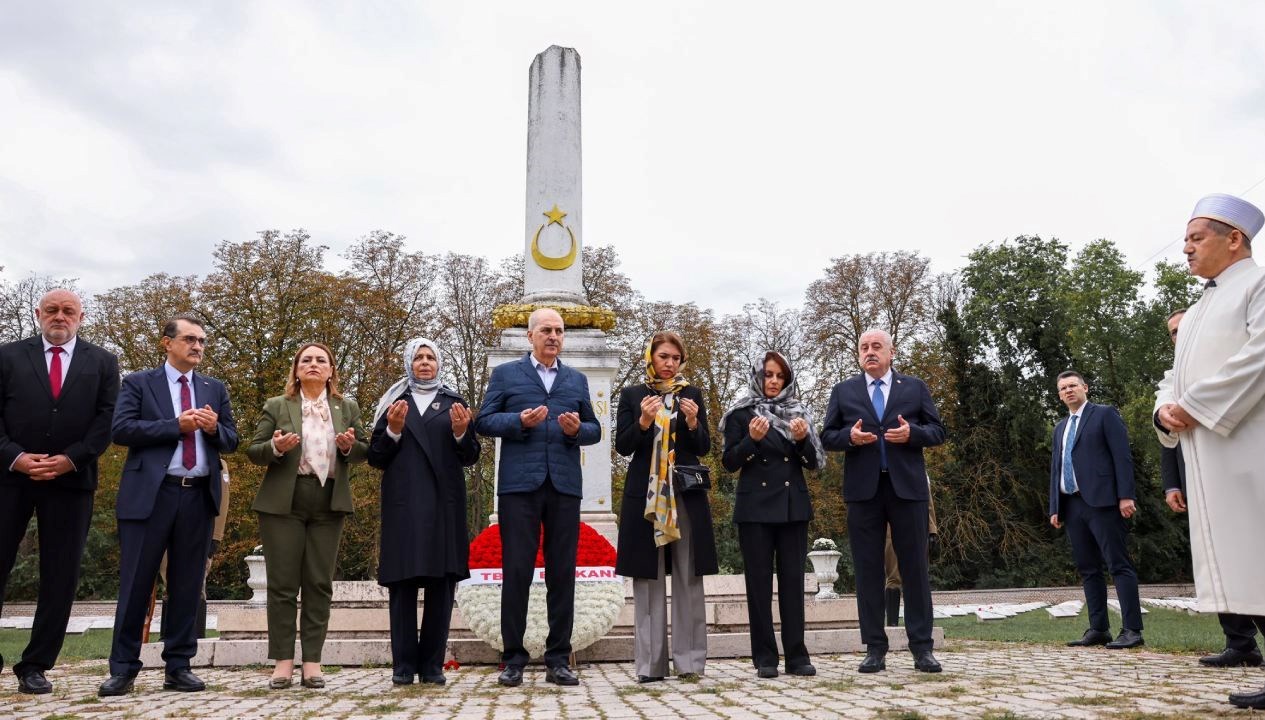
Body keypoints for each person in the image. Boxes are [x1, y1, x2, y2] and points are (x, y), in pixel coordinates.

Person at [1154, 193, 1265, 710]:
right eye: (1186, 240)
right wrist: (1165, 412)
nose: (1186, 249)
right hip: (1208, 456)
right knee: (1242, 561)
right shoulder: (1198, 307)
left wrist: (1195, 405)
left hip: (1250, 447)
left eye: (1196, 238)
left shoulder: (1259, 285)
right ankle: (1245, 649)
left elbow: (1258, 358)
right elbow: (1176, 378)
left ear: (1234, 238)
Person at [100, 314, 238, 697]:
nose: (198, 346)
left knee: (187, 586)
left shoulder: (214, 388)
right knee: (137, 584)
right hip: (151, 495)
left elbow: (231, 440)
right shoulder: (140, 383)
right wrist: (175, 425)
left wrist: (212, 429)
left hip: (197, 496)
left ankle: (179, 666)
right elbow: (122, 430)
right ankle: (123, 669)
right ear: (167, 343)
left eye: (203, 341)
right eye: (190, 339)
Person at [0, 289, 119, 694]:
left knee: (60, 575)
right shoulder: (7, 356)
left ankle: (35, 665)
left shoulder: (103, 362)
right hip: (9, 477)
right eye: (52, 309)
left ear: (80, 317)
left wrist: (71, 459)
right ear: (39, 314)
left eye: (69, 311)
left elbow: (106, 421)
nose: (60, 316)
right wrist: (14, 456)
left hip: (71, 481)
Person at [474, 308, 600, 688]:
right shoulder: (506, 374)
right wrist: (518, 422)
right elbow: (484, 421)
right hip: (519, 487)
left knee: (563, 572)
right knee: (517, 571)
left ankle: (558, 659)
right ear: (530, 336)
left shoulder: (576, 380)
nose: (553, 336)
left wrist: (578, 430)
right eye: (546, 330)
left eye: (559, 331)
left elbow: (594, 429)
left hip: (563, 486)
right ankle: (513, 659)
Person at [821, 329, 945, 674]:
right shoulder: (844, 391)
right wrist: (850, 437)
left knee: (915, 571)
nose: (870, 352)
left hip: (908, 491)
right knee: (867, 571)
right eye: (864, 347)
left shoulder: (914, 387)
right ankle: (875, 648)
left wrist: (912, 434)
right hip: (864, 493)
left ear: (891, 353)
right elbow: (827, 436)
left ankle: (922, 648)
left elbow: (938, 431)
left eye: (876, 347)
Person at [246, 342, 367, 689]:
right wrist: (275, 448)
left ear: (331, 371)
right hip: (284, 502)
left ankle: (312, 662)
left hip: (329, 502)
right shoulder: (277, 405)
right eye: (306, 360)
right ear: (297, 370)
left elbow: (363, 451)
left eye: (321, 360)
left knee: (318, 583)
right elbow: (254, 451)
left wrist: (347, 445)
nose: (313, 364)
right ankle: (283, 662)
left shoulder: (347, 407)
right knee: (283, 585)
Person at [367, 338, 479, 686]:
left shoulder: (453, 402)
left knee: (440, 586)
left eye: (431, 357)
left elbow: (471, 455)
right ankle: (402, 666)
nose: (425, 362)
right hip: (404, 504)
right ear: (408, 363)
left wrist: (462, 433)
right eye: (419, 357)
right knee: (402, 586)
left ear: (440, 363)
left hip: (443, 504)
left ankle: (431, 666)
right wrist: (393, 431)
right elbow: (375, 457)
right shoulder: (393, 402)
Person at [1161, 309, 1262, 668]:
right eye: (1172, 332)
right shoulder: (1174, 373)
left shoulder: (1223, 355)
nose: (1177, 336)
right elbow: (1169, 434)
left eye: (1182, 329)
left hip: (1239, 470)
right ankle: (1240, 642)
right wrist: (1172, 482)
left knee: (1249, 555)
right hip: (1195, 476)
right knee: (1215, 560)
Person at [614, 332, 716, 683]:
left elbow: (704, 446)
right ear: (650, 358)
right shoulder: (632, 396)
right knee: (648, 575)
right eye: (663, 356)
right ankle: (650, 665)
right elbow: (623, 447)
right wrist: (642, 422)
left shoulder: (692, 395)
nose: (669, 363)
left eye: (675, 357)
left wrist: (692, 422)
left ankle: (689, 662)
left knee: (689, 574)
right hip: (646, 495)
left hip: (685, 493)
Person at [721, 350, 824, 679]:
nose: (774, 381)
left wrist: (802, 439)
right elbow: (729, 463)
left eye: (780, 376)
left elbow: (814, 463)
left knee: (793, 584)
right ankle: (765, 657)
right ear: (758, 376)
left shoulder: (798, 413)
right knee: (759, 585)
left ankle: (797, 655)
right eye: (769, 375)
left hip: (793, 506)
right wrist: (751, 440)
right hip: (755, 509)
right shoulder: (740, 413)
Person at [1048, 370, 1144, 649]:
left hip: (1103, 502)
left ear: (1085, 388)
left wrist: (1125, 495)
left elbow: (1122, 456)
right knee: (1088, 569)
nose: (1068, 391)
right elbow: (1056, 468)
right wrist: (1055, 506)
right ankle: (1099, 628)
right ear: (1059, 394)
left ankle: (1133, 630)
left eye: (1073, 386)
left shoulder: (1104, 414)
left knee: (1118, 564)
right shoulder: (1060, 427)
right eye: (1063, 388)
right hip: (1072, 505)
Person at [883, 485, 938, 627]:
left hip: (915, 527)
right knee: (893, 576)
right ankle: (892, 622)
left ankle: (917, 624)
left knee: (917, 576)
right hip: (889, 530)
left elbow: (927, 500)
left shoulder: (916, 468)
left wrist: (932, 530)